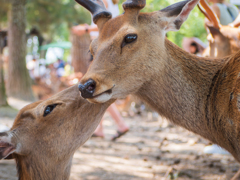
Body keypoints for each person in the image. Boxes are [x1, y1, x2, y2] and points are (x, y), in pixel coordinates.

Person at [72, 0, 129, 141]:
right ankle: (99, 129)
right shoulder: (111, 3)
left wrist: (84, 29)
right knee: (97, 87)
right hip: (101, 48)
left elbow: (108, 26)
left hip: (101, 49)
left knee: (96, 88)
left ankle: (121, 124)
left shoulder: (105, 1)